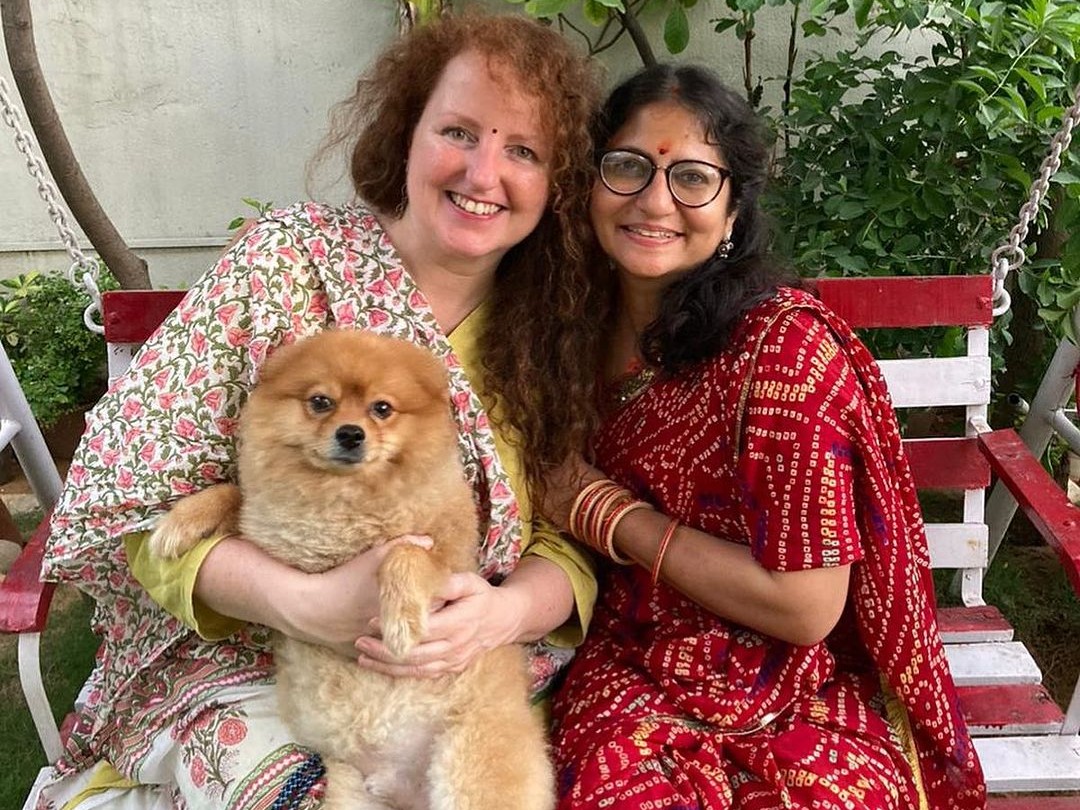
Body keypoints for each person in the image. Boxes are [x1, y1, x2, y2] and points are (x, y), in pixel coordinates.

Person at [38, 14, 603, 809]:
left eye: (524, 151)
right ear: (407, 133)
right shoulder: (284, 265)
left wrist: (506, 611)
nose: (483, 173)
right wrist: (300, 602)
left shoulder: (556, 333)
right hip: (251, 658)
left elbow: (575, 535)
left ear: (557, 182)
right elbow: (135, 504)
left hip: (465, 667)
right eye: (458, 131)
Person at [543, 64, 988, 809]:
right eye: (626, 167)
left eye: (692, 177)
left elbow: (807, 608)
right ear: (590, 184)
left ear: (733, 210)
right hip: (631, 655)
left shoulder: (782, 357)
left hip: (795, 677)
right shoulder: (561, 327)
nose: (654, 200)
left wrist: (605, 513)